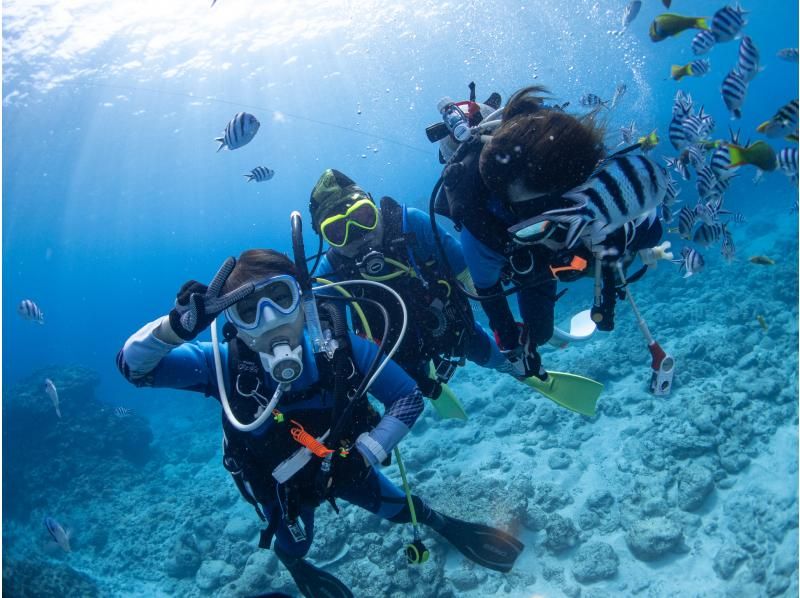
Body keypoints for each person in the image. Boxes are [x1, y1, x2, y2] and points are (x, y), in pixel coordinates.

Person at [116, 249, 523, 598]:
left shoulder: (342, 349)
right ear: (234, 322)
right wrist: (173, 330)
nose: (271, 319)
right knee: (296, 545)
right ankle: (296, 568)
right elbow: (132, 368)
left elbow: (407, 398)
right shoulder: (222, 364)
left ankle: (442, 525)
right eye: (248, 310)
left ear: (304, 300)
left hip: (345, 464)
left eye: (281, 297)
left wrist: (364, 454)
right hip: (282, 489)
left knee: (404, 508)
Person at [436, 85, 672, 380]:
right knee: (539, 333)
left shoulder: (582, 176)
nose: (561, 221)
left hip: (574, 248)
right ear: (505, 204)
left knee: (620, 252)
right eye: (535, 222)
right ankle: (536, 325)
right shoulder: (482, 230)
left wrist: (622, 229)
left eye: (565, 203)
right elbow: (491, 296)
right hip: (529, 264)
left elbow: (650, 221)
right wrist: (513, 347)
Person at [307, 168, 511, 406]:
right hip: (396, 356)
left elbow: (470, 274)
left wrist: (505, 330)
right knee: (409, 393)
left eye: (362, 217)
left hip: (452, 328)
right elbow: (323, 340)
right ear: (326, 239)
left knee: (484, 349)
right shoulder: (330, 272)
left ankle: (511, 366)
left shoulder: (412, 224)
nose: (357, 234)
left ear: (375, 208)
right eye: (338, 231)